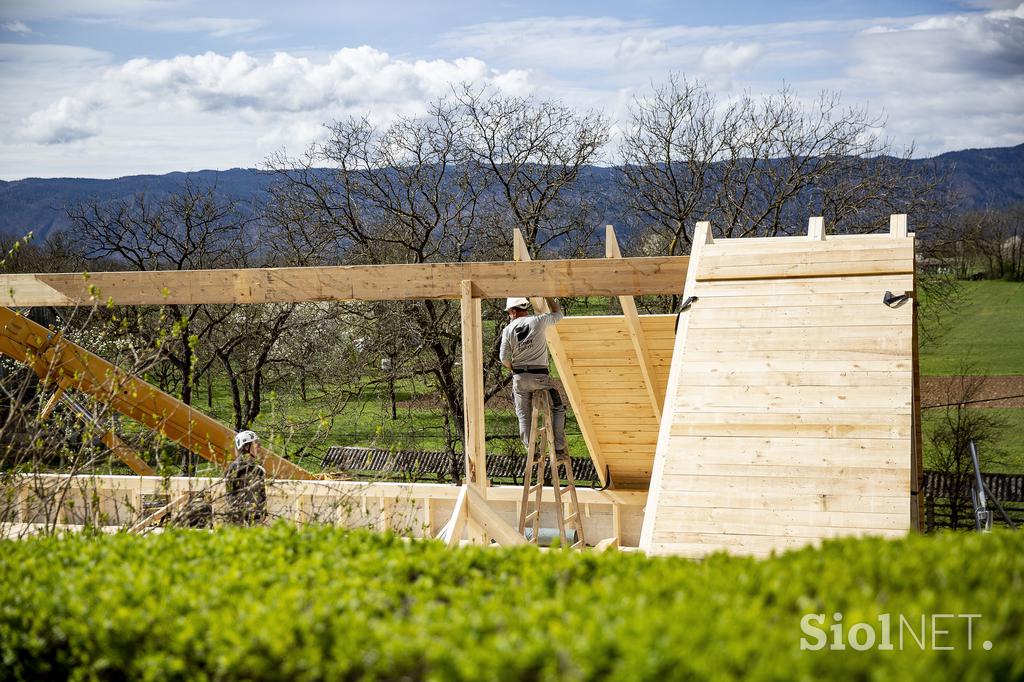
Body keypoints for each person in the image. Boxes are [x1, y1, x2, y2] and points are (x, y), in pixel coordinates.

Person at [499, 296, 568, 460]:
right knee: (557, 408)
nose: (509, 316)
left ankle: (532, 451)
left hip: (520, 378)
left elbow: (504, 358)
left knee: (523, 414)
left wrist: (513, 368)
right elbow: (559, 314)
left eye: (509, 313)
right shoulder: (539, 321)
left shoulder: (508, 330)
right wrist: (550, 298)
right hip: (540, 378)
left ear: (514, 311)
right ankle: (558, 448)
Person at [224, 430, 267, 525]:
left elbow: (261, 493)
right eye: (256, 443)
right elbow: (230, 494)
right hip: (240, 518)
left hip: (254, 518)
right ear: (247, 447)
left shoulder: (258, 468)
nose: (259, 446)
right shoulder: (236, 468)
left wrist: (263, 513)